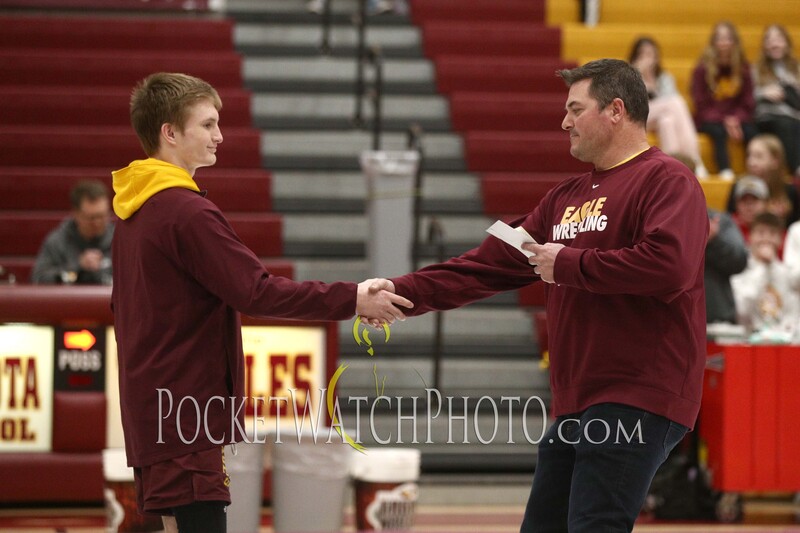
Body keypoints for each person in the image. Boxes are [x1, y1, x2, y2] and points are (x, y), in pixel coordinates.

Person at [362, 59, 709, 532]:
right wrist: (401, 291)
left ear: (615, 110)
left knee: (594, 524)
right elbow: (485, 265)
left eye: (575, 109)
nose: (564, 121)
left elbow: (668, 266)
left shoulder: (667, 180)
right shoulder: (562, 199)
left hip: (638, 393)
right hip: (577, 400)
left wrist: (567, 263)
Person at [110, 72, 412, 532]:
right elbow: (258, 290)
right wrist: (352, 298)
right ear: (170, 133)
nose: (219, 135)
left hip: (152, 408)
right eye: (207, 125)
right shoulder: (185, 212)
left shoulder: (134, 209)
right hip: (187, 412)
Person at [629, 36, 709, 178]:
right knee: (676, 102)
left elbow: (673, 107)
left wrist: (654, 87)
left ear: (656, 57)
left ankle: (674, 168)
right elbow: (631, 104)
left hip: (658, 117)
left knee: (667, 121)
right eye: (643, 54)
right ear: (635, 57)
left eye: (651, 54)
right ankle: (695, 159)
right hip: (639, 117)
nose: (647, 58)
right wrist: (640, 78)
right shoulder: (629, 77)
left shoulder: (664, 78)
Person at [691, 21, 757, 180]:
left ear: (735, 42)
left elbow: (748, 102)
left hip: (736, 118)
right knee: (718, 131)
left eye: (728, 38)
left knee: (752, 132)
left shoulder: (743, 68)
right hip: (709, 119)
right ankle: (725, 171)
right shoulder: (702, 68)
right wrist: (725, 120)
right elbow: (700, 103)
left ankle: (753, 171)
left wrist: (736, 118)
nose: (724, 43)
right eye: (719, 38)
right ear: (713, 42)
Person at [31, 179, 114, 285]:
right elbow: (38, 278)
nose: (97, 223)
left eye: (102, 216)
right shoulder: (58, 241)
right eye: (91, 218)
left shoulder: (119, 241)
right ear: (76, 214)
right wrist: (76, 267)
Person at [731, 212, 798, 340]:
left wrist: (779, 336)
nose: (766, 239)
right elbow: (741, 312)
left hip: (783, 343)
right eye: (760, 233)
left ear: (780, 239)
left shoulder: (787, 274)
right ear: (749, 237)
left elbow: (793, 314)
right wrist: (762, 268)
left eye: (772, 234)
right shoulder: (738, 271)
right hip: (747, 342)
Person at [752, 24, 800, 176]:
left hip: (793, 115)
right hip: (768, 116)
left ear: (786, 43)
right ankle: (797, 169)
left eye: (779, 39)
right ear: (765, 46)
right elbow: (747, 96)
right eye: (770, 40)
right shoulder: (756, 69)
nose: (774, 44)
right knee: (786, 125)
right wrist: (762, 93)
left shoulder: (796, 68)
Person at [725, 134, 800, 226]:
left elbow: (795, 228)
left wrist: (778, 219)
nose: (751, 162)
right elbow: (728, 220)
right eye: (749, 155)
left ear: (775, 160)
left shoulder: (790, 191)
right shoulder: (738, 186)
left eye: (758, 156)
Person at [705, 208, 749, 324]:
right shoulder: (665, 217)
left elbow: (739, 260)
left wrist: (714, 240)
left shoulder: (720, 220)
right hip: (672, 318)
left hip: (717, 318)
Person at [730, 174, 769, 243]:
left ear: (765, 203)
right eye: (744, 200)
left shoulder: (774, 229)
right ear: (736, 204)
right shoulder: (727, 228)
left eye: (755, 200)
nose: (749, 207)